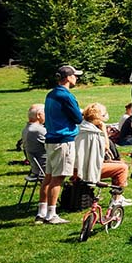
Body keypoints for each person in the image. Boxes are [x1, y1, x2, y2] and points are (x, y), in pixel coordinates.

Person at [38, 65, 83, 225]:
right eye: (75, 75)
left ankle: (41, 211)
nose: (76, 78)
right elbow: (78, 118)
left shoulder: (51, 94)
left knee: (48, 177)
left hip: (50, 139)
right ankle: (51, 214)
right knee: (58, 178)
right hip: (63, 140)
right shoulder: (66, 96)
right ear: (68, 78)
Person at [74, 103, 132, 206]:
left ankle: (118, 197)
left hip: (76, 167)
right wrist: (104, 130)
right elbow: (105, 147)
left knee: (118, 164)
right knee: (122, 168)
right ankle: (117, 198)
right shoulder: (94, 132)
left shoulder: (80, 127)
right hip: (88, 169)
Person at [22, 104, 47, 177]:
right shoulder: (38, 130)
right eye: (45, 113)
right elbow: (52, 145)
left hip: (35, 167)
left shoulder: (27, 128)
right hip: (45, 167)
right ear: (39, 115)